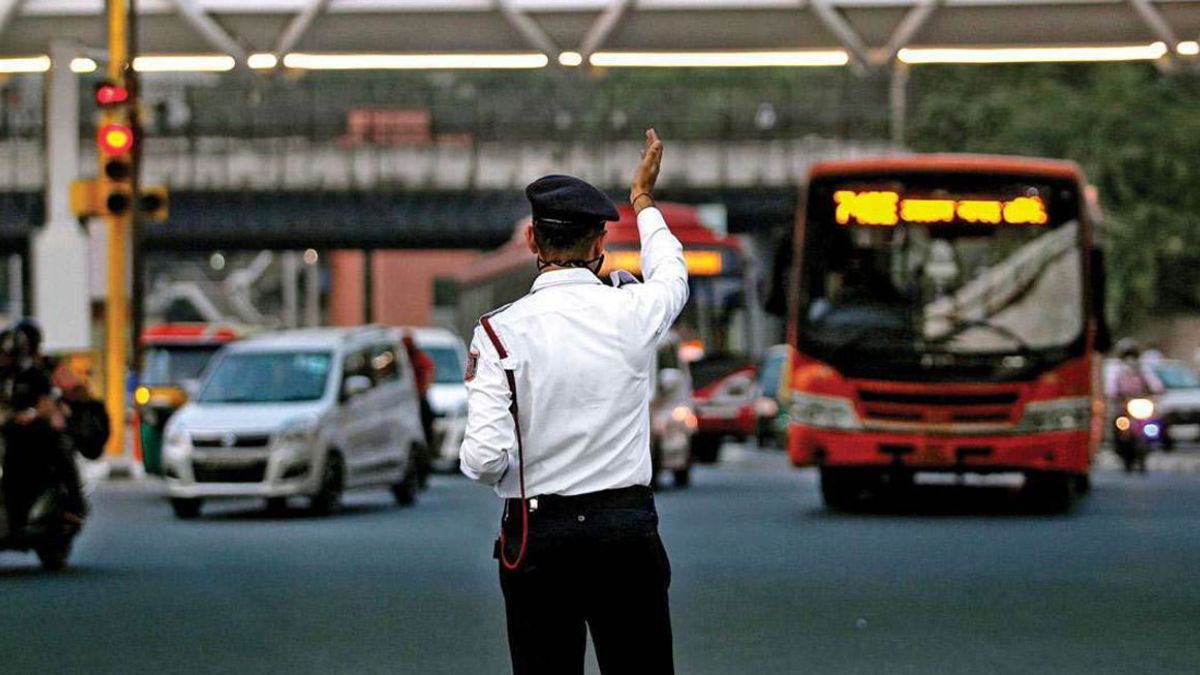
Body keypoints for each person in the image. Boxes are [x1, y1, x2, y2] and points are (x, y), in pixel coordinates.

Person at [460, 128, 685, 675]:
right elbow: (671, 272)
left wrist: (517, 484)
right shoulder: (632, 314)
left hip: (539, 536)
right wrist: (643, 200)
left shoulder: (497, 334)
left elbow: (482, 459)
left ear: (533, 242)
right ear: (599, 246)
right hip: (624, 533)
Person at [0, 319, 87, 534]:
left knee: (58, 444)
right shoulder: (2, 376)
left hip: (29, 433)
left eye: (8, 355)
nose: (4, 358)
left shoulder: (37, 371)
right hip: (5, 431)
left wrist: (33, 414)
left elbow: (53, 401)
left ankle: (75, 503)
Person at [401, 331, 436, 488]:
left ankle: (422, 473)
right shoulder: (404, 360)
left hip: (418, 401)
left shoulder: (417, 359)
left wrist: (420, 392)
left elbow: (428, 374)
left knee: (424, 439)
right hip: (409, 400)